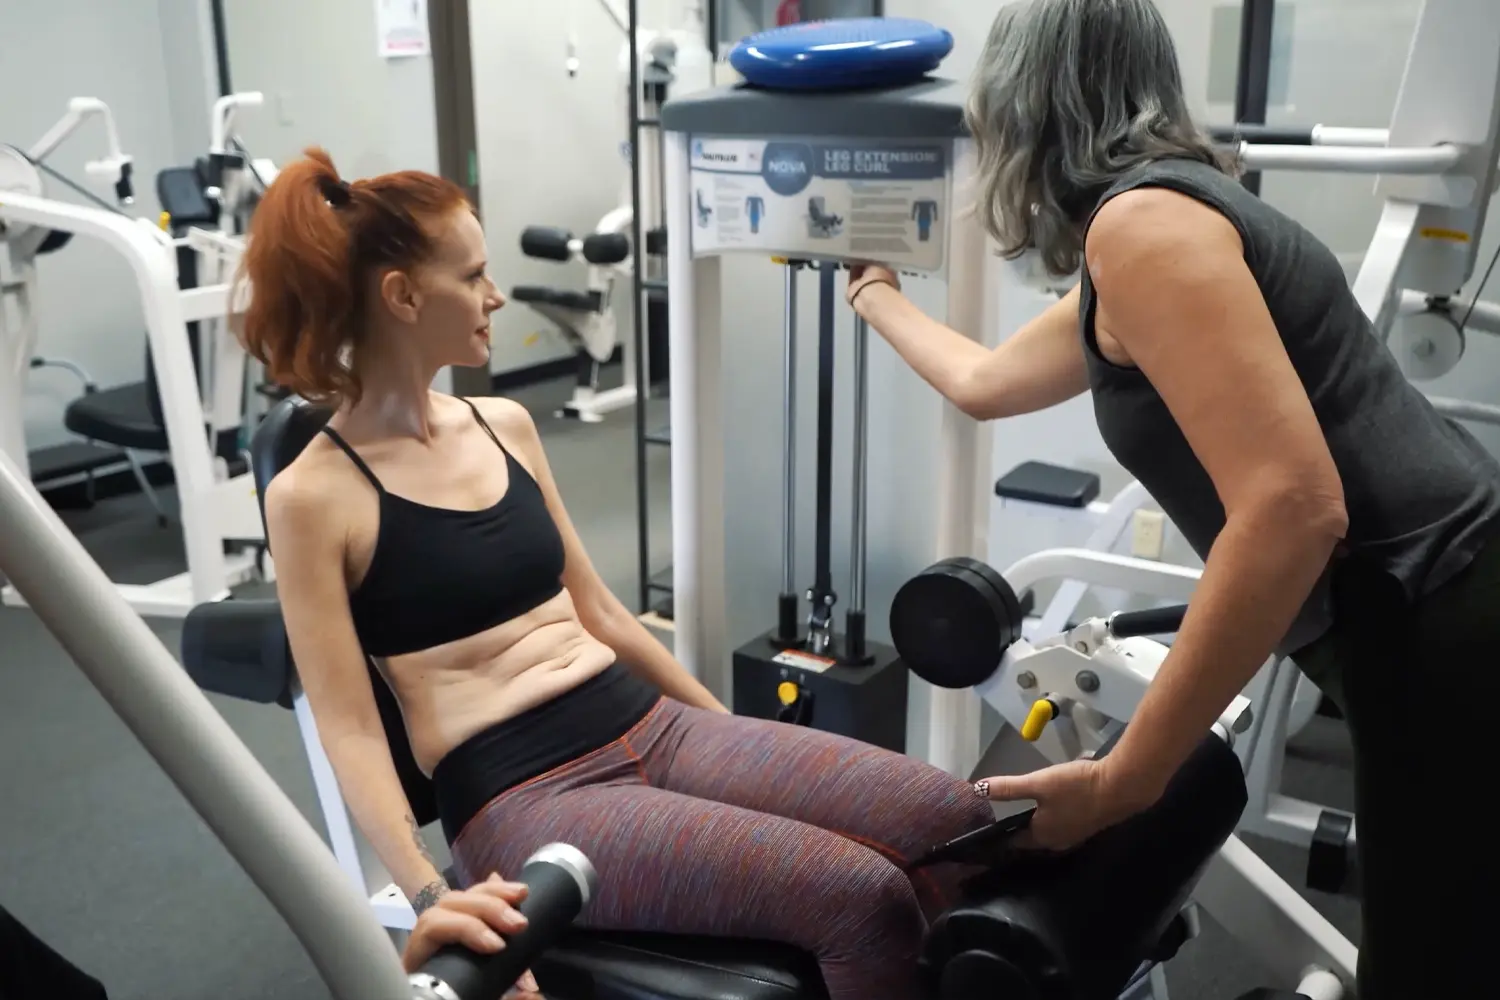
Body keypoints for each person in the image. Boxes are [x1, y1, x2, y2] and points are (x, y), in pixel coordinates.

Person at [848, 2, 1500, 997]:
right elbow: (985, 380)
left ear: (1023, 103)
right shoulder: (1164, 216)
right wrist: (875, 293)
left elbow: (1292, 508)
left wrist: (1121, 782)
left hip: (1444, 618)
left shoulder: (1143, 229)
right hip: (1430, 606)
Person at [235, 147, 995, 1000]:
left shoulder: (503, 424)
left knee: (956, 819)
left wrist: (732, 736)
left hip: (649, 723)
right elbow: (348, 729)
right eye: (474, 276)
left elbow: (600, 612)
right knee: (863, 899)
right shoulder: (313, 497)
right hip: (524, 796)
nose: (496, 296)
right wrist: (429, 896)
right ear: (403, 296)